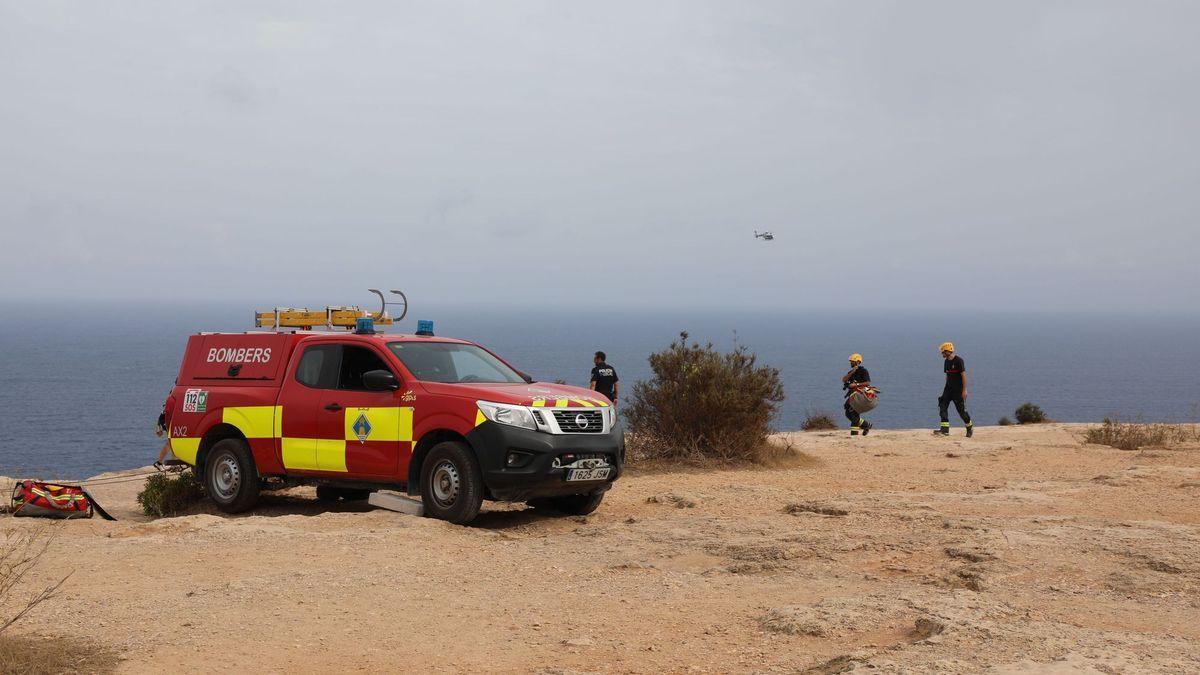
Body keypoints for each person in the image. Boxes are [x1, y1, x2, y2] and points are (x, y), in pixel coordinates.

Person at [937, 342, 973, 437]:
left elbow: (964, 376)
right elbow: (947, 375)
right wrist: (945, 388)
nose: (942, 354)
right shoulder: (946, 361)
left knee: (961, 411)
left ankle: (969, 428)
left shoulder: (959, 361)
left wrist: (964, 390)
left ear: (948, 351)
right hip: (948, 389)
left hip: (958, 390)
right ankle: (944, 430)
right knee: (942, 406)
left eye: (943, 352)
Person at [841, 353, 873, 436]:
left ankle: (854, 435)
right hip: (852, 395)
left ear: (858, 362)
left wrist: (856, 385)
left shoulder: (863, 371)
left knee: (853, 414)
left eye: (852, 361)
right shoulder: (851, 372)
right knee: (848, 413)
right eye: (851, 361)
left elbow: (868, 382)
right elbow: (844, 379)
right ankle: (865, 425)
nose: (851, 363)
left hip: (860, 395)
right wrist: (852, 372)